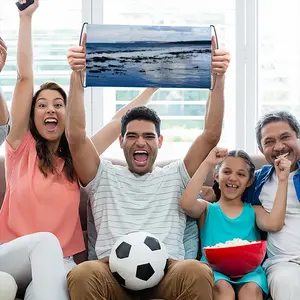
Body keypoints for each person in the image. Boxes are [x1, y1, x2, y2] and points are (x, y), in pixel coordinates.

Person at [65, 33, 230, 300]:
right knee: (81, 274)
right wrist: (77, 76)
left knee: (197, 271)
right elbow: (75, 137)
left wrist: (218, 78)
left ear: (160, 141)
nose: (140, 142)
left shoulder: (177, 174)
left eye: (148, 136)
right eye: (131, 136)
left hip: (168, 271)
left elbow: (210, 134)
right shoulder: (102, 174)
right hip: (111, 272)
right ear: (120, 141)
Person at [180, 147, 290, 300]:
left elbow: (275, 224)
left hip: (250, 271)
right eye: (226, 172)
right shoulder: (206, 208)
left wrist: (283, 180)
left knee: (251, 291)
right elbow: (186, 204)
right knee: (223, 290)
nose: (232, 178)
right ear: (216, 176)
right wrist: (207, 163)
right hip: (214, 270)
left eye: (241, 174)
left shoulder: (254, 211)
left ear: (249, 181)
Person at [244, 111, 300, 300]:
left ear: (298, 138)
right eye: (269, 142)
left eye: (285, 137)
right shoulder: (256, 181)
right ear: (260, 149)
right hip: (284, 263)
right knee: (286, 283)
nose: (279, 146)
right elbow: (226, 196)